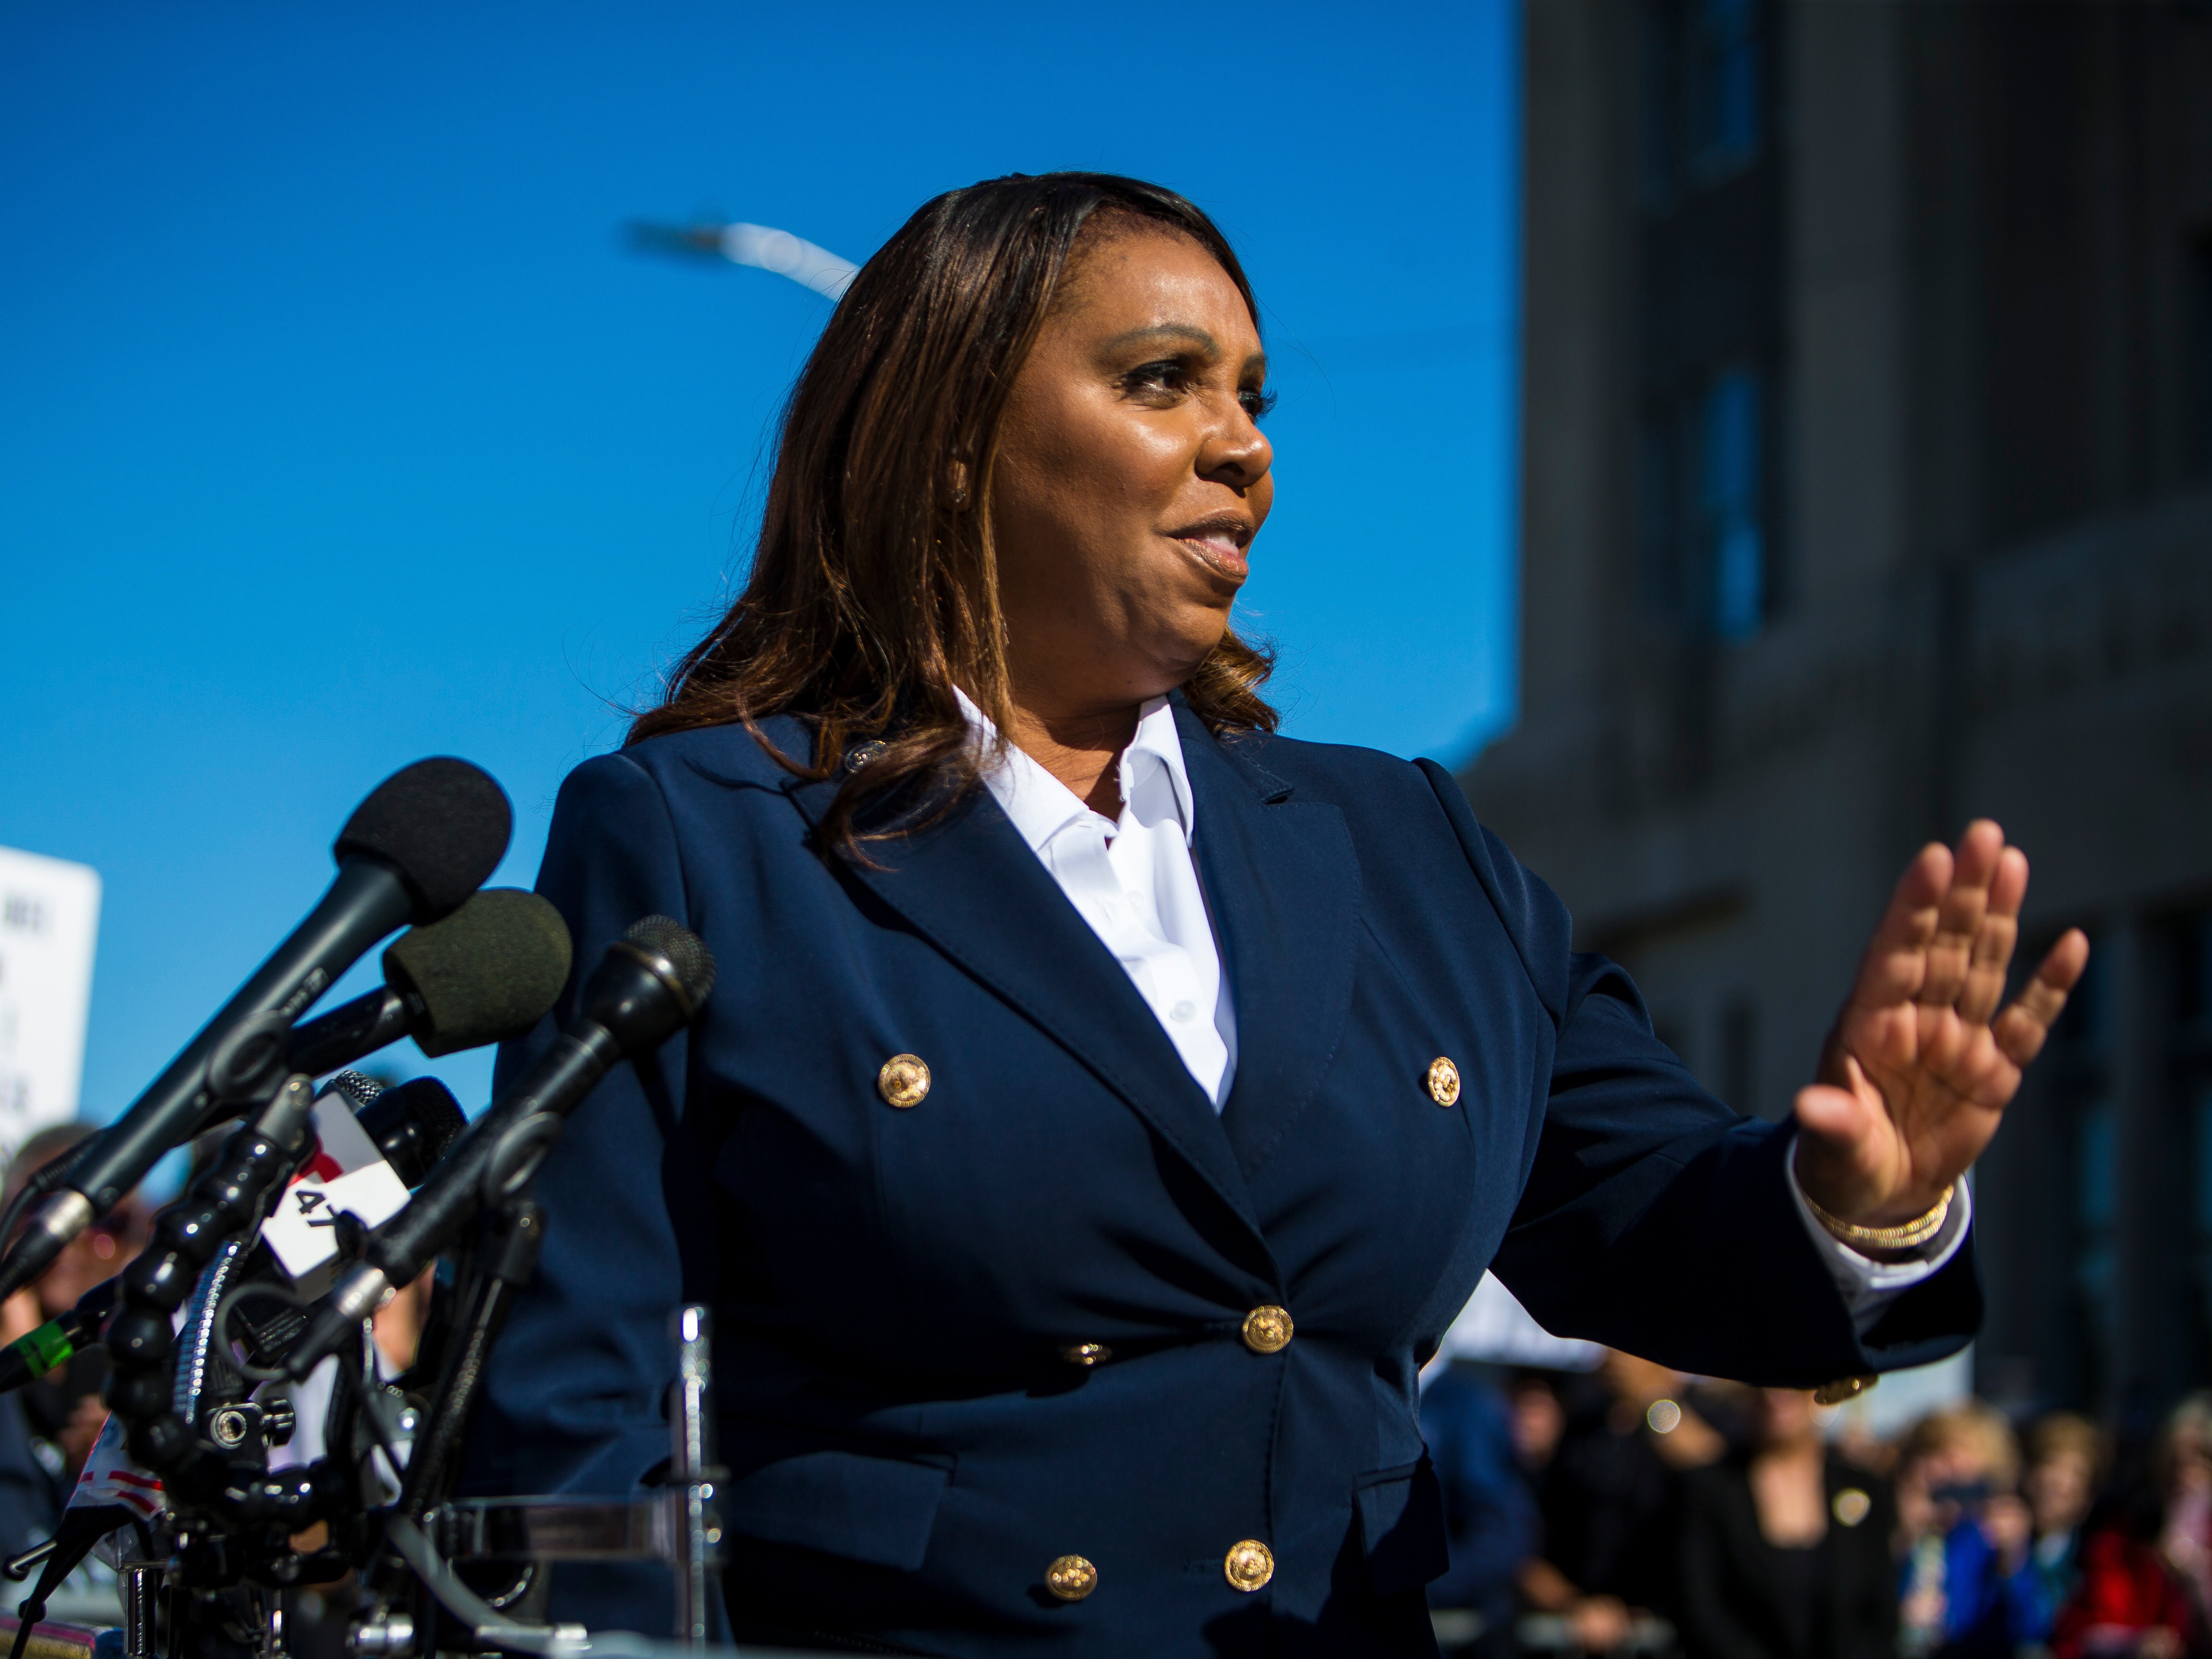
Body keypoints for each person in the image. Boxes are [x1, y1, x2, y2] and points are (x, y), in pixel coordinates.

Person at [464, 170, 2089, 1657]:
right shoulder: (703, 836)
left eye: (1249, 396)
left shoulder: (1403, 837)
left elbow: (1640, 1212)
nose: (1240, 443)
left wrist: (1851, 1195)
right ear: (952, 440)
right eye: (1161, 381)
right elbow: (564, 1428)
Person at [1518, 1350, 1727, 1652]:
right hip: (1580, 1631)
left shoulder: (1709, 1411)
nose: (1614, 1354)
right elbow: (1528, 1544)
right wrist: (1574, 1603)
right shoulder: (1582, 1424)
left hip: (1673, 1635)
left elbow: (1715, 1477)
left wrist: (1650, 1401)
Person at [1676, 1388, 1897, 1659]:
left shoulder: (1862, 1489)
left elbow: (1880, 1610)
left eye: (1793, 1383)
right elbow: (1701, 1613)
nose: (1775, 1395)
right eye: (1763, 1382)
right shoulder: (1710, 1491)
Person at [2056, 1395, 2212, 1659]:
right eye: (2175, 1464)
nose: (2186, 1476)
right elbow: (2082, 1634)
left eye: (2202, 1462)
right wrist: (2136, 1643)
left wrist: (2196, 1576)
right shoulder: (2122, 1541)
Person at [1894, 1403, 2041, 1659]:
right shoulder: (1889, 1524)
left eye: (1966, 1458)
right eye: (1939, 1455)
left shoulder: (1985, 1537)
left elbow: (2031, 1626)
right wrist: (1905, 1532)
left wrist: (2013, 1560)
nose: (1953, 1470)